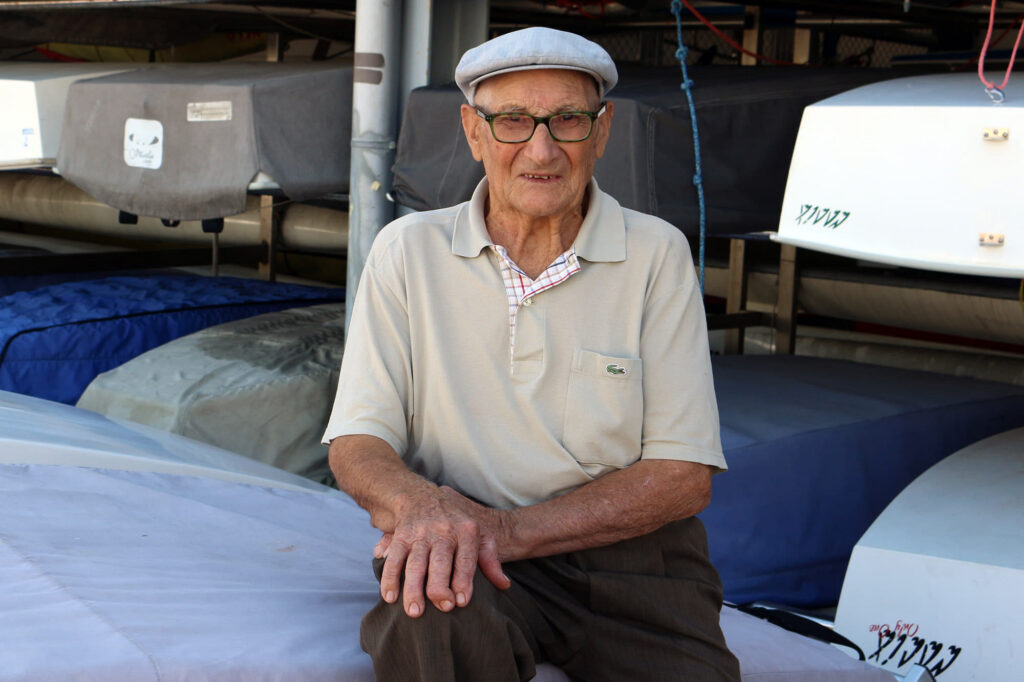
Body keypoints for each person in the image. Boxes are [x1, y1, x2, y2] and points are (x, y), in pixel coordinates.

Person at [323, 26, 741, 682]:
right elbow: (357, 442)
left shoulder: (656, 253)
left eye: (567, 121)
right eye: (513, 121)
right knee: (430, 621)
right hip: (459, 548)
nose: (541, 149)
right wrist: (421, 508)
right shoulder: (408, 251)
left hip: (631, 565)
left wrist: (507, 531)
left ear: (601, 133)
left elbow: (682, 475)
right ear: (473, 131)